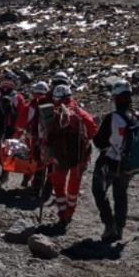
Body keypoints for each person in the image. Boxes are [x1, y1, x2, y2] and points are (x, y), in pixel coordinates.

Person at [92, 80, 139, 242]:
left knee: (99, 190)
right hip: (129, 166)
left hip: (110, 162)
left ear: (116, 98)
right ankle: (119, 229)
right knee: (121, 194)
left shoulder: (112, 118)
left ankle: (109, 224)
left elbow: (98, 141)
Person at [46, 84, 97, 229]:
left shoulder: (53, 114)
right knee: (73, 186)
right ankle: (70, 213)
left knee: (59, 184)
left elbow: (46, 136)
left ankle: (62, 213)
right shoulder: (80, 112)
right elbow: (93, 131)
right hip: (78, 156)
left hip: (59, 157)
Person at [14, 81, 52, 191]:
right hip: (48, 139)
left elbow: (20, 124)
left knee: (32, 159)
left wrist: (16, 137)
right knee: (49, 162)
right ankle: (48, 186)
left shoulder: (29, 106)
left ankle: (30, 181)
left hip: (32, 139)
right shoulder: (52, 106)